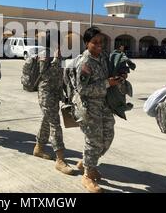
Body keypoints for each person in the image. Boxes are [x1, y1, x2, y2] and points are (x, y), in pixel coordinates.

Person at [73, 27, 123, 193]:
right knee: (94, 141)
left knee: (108, 137)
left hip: (104, 105)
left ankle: (87, 162)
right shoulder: (84, 63)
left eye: (101, 42)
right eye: (95, 42)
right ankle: (88, 175)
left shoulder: (103, 57)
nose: (99, 45)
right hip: (89, 107)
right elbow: (83, 90)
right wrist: (108, 83)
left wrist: (119, 76)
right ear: (87, 43)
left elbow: (110, 73)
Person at [33, 31, 75, 175]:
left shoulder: (60, 55)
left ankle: (38, 148)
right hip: (45, 94)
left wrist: (65, 93)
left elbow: (61, 75)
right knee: (55, 124)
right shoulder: (45, 54)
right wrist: (56, 59)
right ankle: (60, 159)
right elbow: (44, 75)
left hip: (55, 93)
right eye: (60, 40)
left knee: (47, 120)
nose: (63, 43)